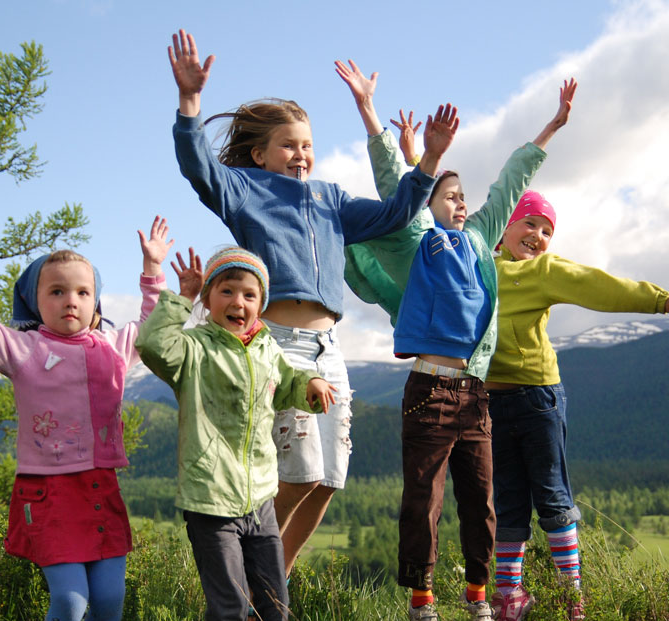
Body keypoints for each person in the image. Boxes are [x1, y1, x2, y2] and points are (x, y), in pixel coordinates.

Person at [166, 29, 459, 576]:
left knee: (328, 480)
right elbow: (198, 169)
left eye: (307, 144)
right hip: (276, 345)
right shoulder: (244, 190)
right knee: (297, 472)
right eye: (288, 144)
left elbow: (394, 214)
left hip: (329, 348)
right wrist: (190, 103)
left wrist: (430, 161)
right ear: (259, 154)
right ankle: (253, 575)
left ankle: (272, 587)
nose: (301, 153)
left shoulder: (331, 199)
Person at [336, 60, 576, 621]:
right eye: (449, 194)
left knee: (482, 506)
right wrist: (379, 120)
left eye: (463, 197)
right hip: (430, 390)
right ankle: (423, 606)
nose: (461, 202)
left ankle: (477, 603)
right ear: (432, 203)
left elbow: (510, 184)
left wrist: (550, 128)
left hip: (476, 396)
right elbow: (400, 186)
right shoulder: (421, 241)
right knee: (424, 501)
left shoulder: (478, 242)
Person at [0, 205, 173, 621]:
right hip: (47, 493)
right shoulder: (22, 348)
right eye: (56, 291)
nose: (70, 300)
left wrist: (153, 272)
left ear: (95, 301)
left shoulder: (113, 348)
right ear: (35, 300)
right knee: (71, 601)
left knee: (111, 599)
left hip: (99, 489)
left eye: (82, 291)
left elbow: (154, 331)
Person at [487, 190, 669, 621]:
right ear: (505, 225)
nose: (538, 236)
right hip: (489, 402)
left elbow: (597, 285)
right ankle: (510, 596)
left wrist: (660, 300)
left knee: (550, 495)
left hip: (537, 399)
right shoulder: (478, 265)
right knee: (507, 501)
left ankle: (572, 596)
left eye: (547, 230)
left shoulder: (545, 270)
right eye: (530, 223)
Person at [136, 246, 335, 621]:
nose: (238, 302)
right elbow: (152, 345)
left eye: (249, 294)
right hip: (211, 500)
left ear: (259, 304)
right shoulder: (195, 348)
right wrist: (180, 299)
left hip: (260, 498)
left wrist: (310, 384)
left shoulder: (266, 347)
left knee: (272, 599)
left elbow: (287, 379)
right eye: (227, 290)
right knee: (229, 606)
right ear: (209, 298)